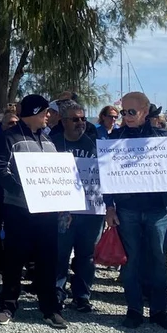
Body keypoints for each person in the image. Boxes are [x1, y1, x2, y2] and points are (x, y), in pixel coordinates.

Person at [103, 91, 167, 330]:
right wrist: (108, 206)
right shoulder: (113, 140)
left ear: (145, 112)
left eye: (132, 112)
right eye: (123, 112)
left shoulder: (164, 139)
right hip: (127, 209)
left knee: (159, 260)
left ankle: (159, 310)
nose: (126, 116)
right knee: (132, 261)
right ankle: (134, 309)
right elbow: (106, 175)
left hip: (158, 209)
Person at [0, 93, 66, 328]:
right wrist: (22, 191)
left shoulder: (50, 141)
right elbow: (0, 169)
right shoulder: (9, 138)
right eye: (45, 112)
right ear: (34, 113)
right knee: (14, 260)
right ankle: (8, 305)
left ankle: (50, 308)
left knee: (48, 260)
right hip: (19, 210)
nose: (48, 116)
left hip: (48, 212)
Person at [49, 100, 102, 313]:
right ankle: (57, 292)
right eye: (75, 119)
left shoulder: (94, 145)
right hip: (61, 211)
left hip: (90, 211)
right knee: (60, 254)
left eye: (83, 119)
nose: (81, 123)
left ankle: (82, 295)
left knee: (87, 256)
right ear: (63, 121)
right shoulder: (51, 144)